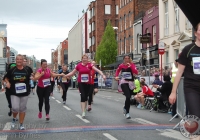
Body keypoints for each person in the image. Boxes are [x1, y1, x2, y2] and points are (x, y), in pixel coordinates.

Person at [169, 23, 200, 130]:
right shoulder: (188, 49)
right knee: (196, 117)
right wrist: (173, 92)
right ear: (196, 33)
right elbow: (179, 72)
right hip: (192, 87)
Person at [4, 54, 33, 130]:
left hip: (24, 92)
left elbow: (32, 77)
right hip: (14, 92)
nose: (19, 61)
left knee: (22, 108)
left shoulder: (27, 70)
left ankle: (21, 124)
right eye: (18, 59)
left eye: (21, 59)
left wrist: (34, 78)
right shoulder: (12, 70)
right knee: (15, 107)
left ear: (23, 60)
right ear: (16, 60)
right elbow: (5, 78)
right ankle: (14, 118)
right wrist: (7, 82)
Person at [115, 55, 138, 119]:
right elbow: (117, 71)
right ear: (124, 59)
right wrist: (116, 76)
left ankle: (125, 107)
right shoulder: (121, 65)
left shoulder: (132, 65)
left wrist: (130, 66)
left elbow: (136, 72)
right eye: (125, 58)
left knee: (129, 97)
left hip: (130, 82)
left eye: (128, 58)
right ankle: (127, 113)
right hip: (123, 82)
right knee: (128, 96)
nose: (127, 59)